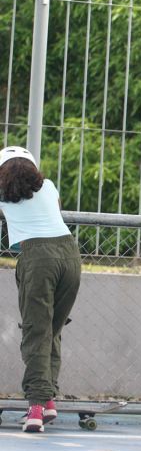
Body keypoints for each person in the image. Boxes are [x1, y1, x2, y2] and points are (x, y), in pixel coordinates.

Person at [0, 146, 81, 432]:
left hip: (37, 258)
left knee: (36, 330)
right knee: (52, 330)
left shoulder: (3, 194)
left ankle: (35, 406)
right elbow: (55, 210)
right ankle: (48, 402)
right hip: (70, 255)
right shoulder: (47, 185)